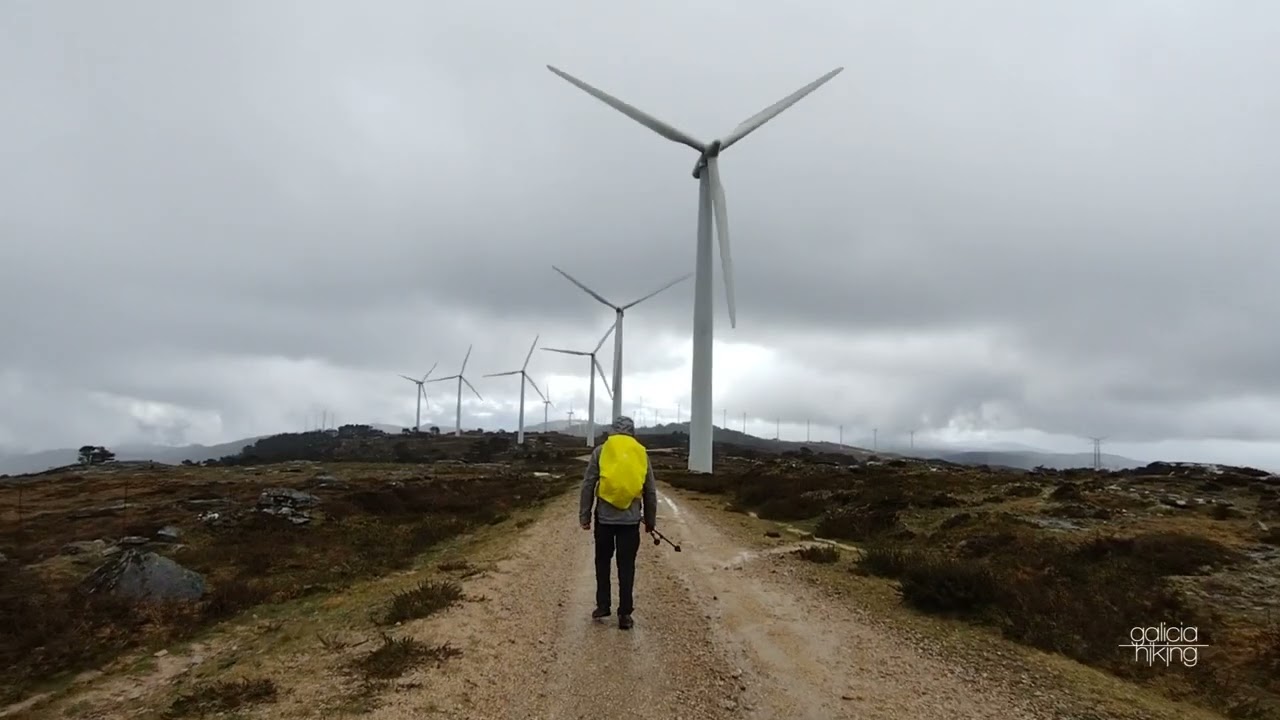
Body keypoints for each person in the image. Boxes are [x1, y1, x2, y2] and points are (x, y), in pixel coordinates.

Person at [579, 415, 657, 630]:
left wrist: (584, 516)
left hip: (604, 519)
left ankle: (603, 605)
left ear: (612, 430)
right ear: (632, 431)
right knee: (626, 567)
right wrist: (650, 520)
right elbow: (649, 490)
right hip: (630, 521)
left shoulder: (601, 450)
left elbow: (588, 484)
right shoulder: (641, 452)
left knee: (602, 562)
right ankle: (625, 614)